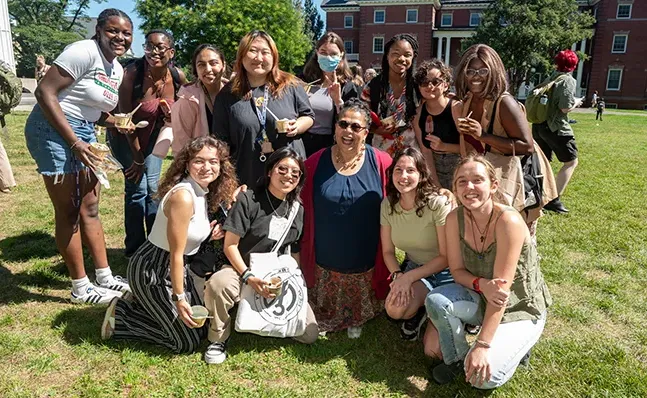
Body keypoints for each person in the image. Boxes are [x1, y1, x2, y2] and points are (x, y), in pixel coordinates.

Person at [24, 8, 133, 304]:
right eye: (113, 30)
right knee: (70, 210)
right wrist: (74, 143)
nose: (119, 37)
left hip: (83, 132)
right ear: (99, 30)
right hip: (51, 129)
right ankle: (80, 287)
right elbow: (45, 93)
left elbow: (94, 111)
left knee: (91, 206)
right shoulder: (83, 51)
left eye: (126, 33)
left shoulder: (117, 68)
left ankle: (105, 276)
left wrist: (119, 123)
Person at [424, 155, 551, 388]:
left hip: (521, 307)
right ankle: (458, 359)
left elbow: (501, 295)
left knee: (484, 379)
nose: (469, 187)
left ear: (493, 185)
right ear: (455, 188)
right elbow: (457, 271)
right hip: (482, 297)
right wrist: (482, 284)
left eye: (477, 180)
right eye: (461, 182)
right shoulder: (454, 219)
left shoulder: (508, 221)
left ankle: (518, 344)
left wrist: (482, 345)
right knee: (436, 301)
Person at [103, 136, 239, 353]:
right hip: (152, 270)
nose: (207, 167)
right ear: (187, 164)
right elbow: (176, 254)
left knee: (199, 327)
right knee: (185, 343)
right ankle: (122, 316)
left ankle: (148, 307)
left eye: (213, 161)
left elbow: (188, 237)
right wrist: (180, 298)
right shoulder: (183, 197)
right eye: (199, 161)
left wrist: (210, 235)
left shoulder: (202, 191)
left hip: (174, 268)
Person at [203, 147, 318, 364]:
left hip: (272, 273)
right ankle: (218, 337)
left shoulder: (297, 209)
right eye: (282, 169)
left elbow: (293, 250)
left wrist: (291, 280)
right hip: (239, 268)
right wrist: (248, 277)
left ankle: (254, 311)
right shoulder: (248, 200)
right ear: (269, 171)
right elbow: (230, 246)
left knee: (309, 334)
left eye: (295, 173)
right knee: (219, 284)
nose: (288, 176)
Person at [301, 99, 391, 339]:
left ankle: (359, 313)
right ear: (335, 127)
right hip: (324, 261)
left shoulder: (382, 162)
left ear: (366, 132)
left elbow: (408, 187)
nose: (348, 131)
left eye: (356, 127)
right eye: (343, 124)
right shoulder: (315, 162)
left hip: (366, 261)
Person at [455, 44, 556, 235]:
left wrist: (482, 135)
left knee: (515, 238)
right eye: (471, 71)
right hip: (489, 180)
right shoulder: (469, 100)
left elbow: (526, 146)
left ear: (494, 71)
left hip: (513, 179)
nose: (476, 76)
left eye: (483, 70)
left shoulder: (504, 102)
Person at [108, 29, 187, 257]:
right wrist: (137, 159)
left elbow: (188, 101)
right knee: (136, 189)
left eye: (160, 47)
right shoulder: (132, 74)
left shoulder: (177, 76)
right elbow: (124, 121)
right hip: (125, 137)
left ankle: (154, 245)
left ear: (170, 52)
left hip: (153, 139)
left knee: (153, 189)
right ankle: (134, 249)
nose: (154, 52)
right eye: (149, 46)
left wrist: (172, 113)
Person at [212, 30, 314, 187]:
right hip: (247, 176)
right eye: (252, 51)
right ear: (241, 56)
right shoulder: (227, 95)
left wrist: (297, 126)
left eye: (265, 52)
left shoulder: (291, 85)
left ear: (274, 57)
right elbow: (221, 144)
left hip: (288, 176)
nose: (258, 58)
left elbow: (308, 116)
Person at [381, 147, 453, 341]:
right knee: (394, 310)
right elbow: (388, 251)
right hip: (416, 269)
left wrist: (408, 277)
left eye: (410, 170)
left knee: (433, 351)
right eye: (398, 170)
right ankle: (422, 309)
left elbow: (446, 257)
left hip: (448, 272)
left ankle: (436, 313)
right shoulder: (388, 205)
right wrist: (398, 276)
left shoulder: (437, 204)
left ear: (421, 174)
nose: (403, 176)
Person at [531, 50, 582, 214]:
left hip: (539, 126)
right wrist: (577, 103)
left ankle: (537, 195)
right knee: (571, 162)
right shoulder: (567, 80)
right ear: (573, 65)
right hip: (556, 128)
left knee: (543, 163)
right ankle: (553, 199)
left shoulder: (550, 77)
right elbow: (565, 107)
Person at [300, 32, 361, 157]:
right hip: (302, 144)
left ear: (341, 55)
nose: (328, 57)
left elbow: (353, 120)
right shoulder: (304, 81)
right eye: (323, 52)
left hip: (331, 147)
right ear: (316, 53)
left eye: (333, 54)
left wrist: (338, 101)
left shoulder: (348, 87)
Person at [362, 34, 421, 155]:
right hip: (380, 153)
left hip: (410, 154)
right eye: (396, 53)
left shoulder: (418, 87)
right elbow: (361, 118)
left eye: (407, 55)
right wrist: (377, 130)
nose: (401, 59)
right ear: (387, 56)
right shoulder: (373, 87)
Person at [412, 59, 466, 189]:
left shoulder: (456, 108)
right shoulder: (417, 114)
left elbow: (469, 148)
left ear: (446, 85)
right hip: (433, 170)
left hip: (459, 166)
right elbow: (426, 151)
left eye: (436, 82)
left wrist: (444, 146)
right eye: (424, 82)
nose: (430, 86)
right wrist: (436, 185)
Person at [171, 44, 227, 155]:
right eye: (201, 65)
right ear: (196, 70)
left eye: (213, 63)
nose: (208, 69)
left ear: (223, 65)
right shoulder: (187, 99)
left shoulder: (235, 93)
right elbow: (181, 143)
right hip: (202, 163)